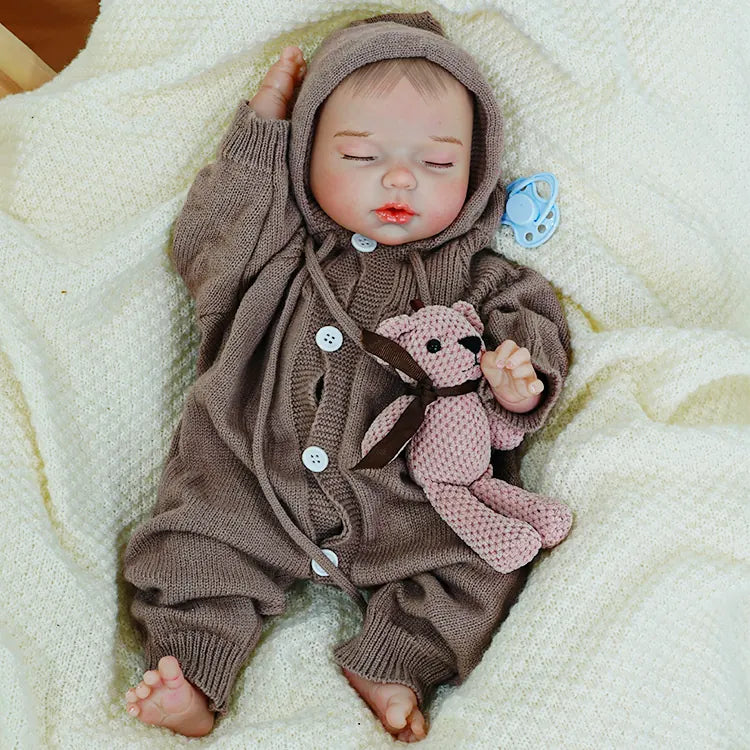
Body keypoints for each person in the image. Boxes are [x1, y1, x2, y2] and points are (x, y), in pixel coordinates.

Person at [122, 11, 570, 742]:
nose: (400, 178)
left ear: (480, 170)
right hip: (247, 477)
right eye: (361, 156)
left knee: (485, 562)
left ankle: (395, 661)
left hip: (409, 501)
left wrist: (520, 379)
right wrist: (263, 131)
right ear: (305, 159)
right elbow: (211, 234)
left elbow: (533, 321)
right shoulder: (274, 251)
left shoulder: (477, 275)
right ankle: (190, 672)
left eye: (438, 164)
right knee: (192, 552)